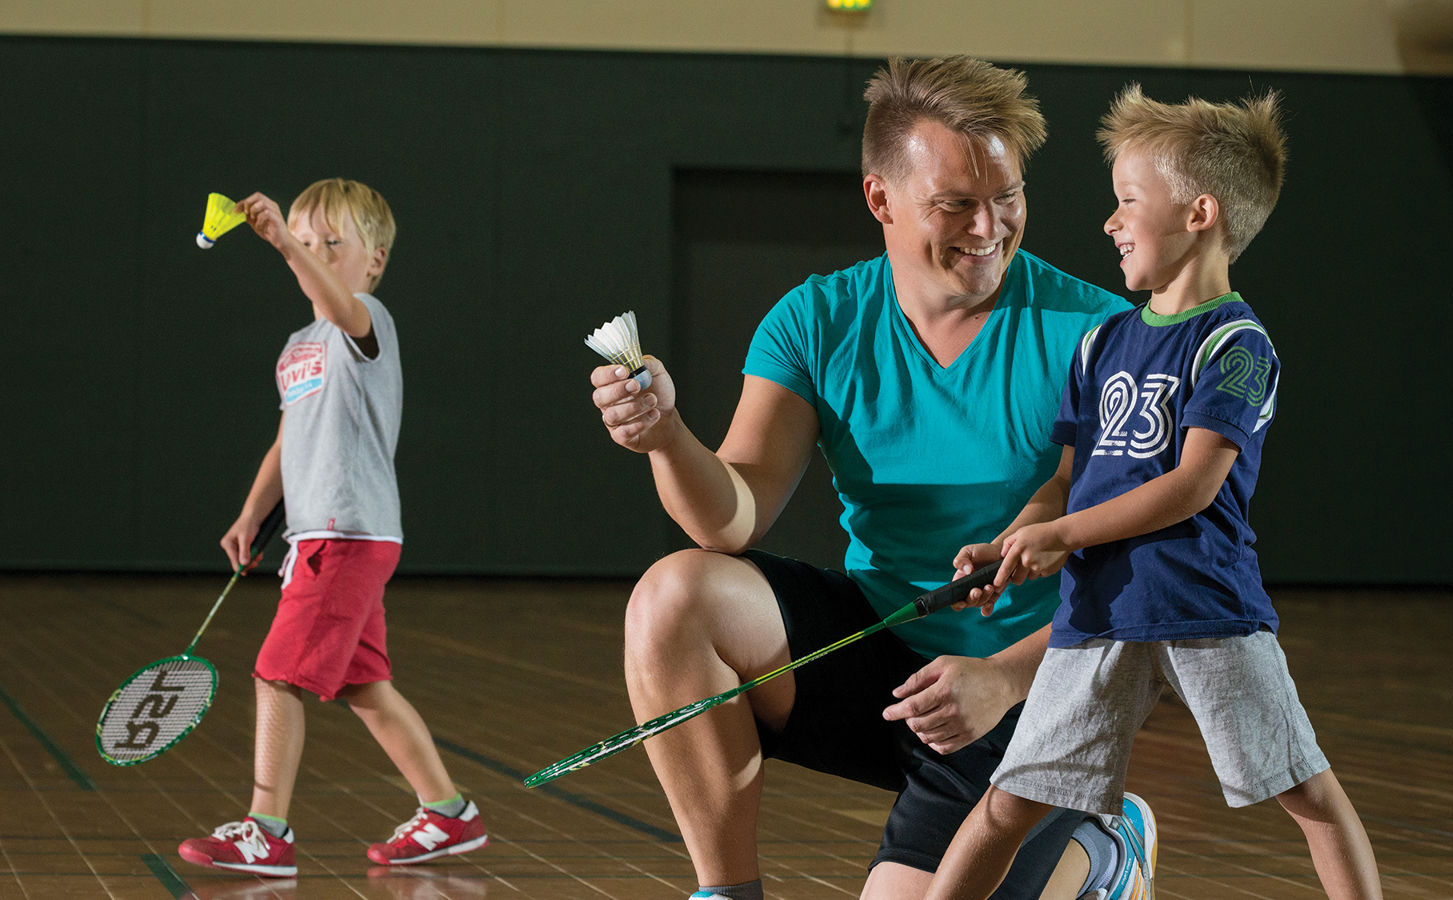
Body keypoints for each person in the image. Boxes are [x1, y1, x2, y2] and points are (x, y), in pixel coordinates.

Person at [590, 57, 1144, 900]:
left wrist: (1004, 677)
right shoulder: (817, 321)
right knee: (675, 597)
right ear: (881, 199)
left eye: (1008, 196)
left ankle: (1107, 846)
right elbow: (729, 520)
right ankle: (727, 891)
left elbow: (1136, 581)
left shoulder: (1102, 336)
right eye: (954, 203)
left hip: (1036, 682)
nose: (989, 226)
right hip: (889, 665)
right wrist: (667, 439)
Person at [925, 85, 1385, 899]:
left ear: (1200, 213)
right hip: (1097, 612)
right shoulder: (1102, 342)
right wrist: (1015, 538)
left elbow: (1193, 486)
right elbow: (1067, 482)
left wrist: (1064, 536)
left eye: (1129, 200)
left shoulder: (1236, 344)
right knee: (1006, 805)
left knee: (1307, 795)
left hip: (1205, 610)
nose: (1111, 221)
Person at [177, 179, 486, 877]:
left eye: (332, 243)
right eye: (307, 241)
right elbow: (288, 438)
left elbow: (338, 303)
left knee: (275, 675)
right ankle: (449, 813)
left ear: (374, 260)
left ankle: (267, 832)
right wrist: (251, 512)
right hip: (318, 536)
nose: (315, 252)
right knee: (365, 686)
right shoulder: (298, 346)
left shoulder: (365, 320)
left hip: (348, 536)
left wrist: (286, 246)